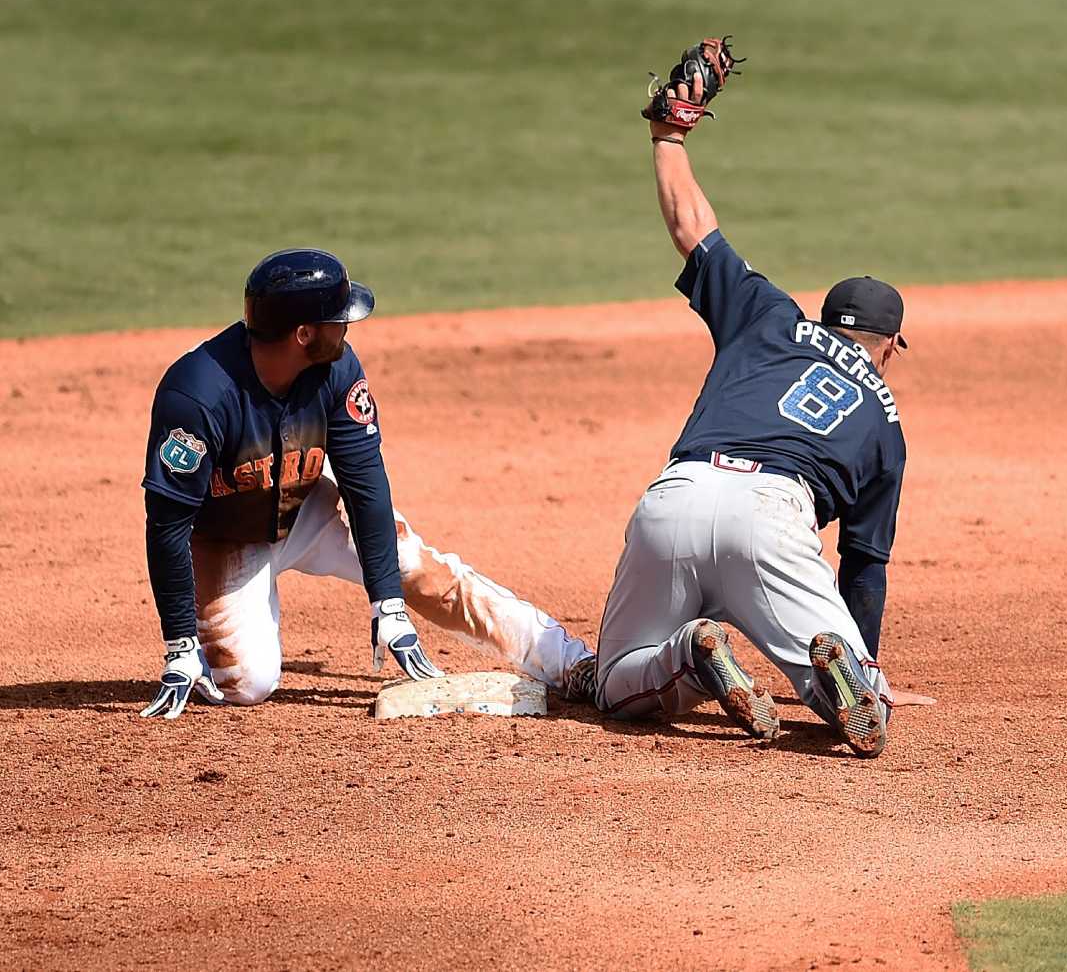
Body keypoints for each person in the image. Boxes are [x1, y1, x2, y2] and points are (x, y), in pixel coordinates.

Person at [576, 39, 904, 756]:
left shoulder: (770, 315)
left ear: (825, 322)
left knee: (617, 681)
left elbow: (690, 226)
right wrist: (863, 652)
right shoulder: (884, 416)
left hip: (681, 495)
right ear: (890, 347)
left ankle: (687, 655)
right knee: (859, 705)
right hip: (773, 524)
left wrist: (669, 134)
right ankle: (853, 678)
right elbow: (865, 565)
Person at [139, 248, 594, 718]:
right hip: (226, 541)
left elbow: (365, 484)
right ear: (303, 334)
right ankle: (208, 642)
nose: (348, 329)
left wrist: (388, 602)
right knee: (248, 683)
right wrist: (179, 641)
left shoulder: (337, 368)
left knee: (417, 566)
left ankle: (570, 662)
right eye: (338, 319)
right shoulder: (196, 395)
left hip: (306, 509)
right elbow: (167, 524)